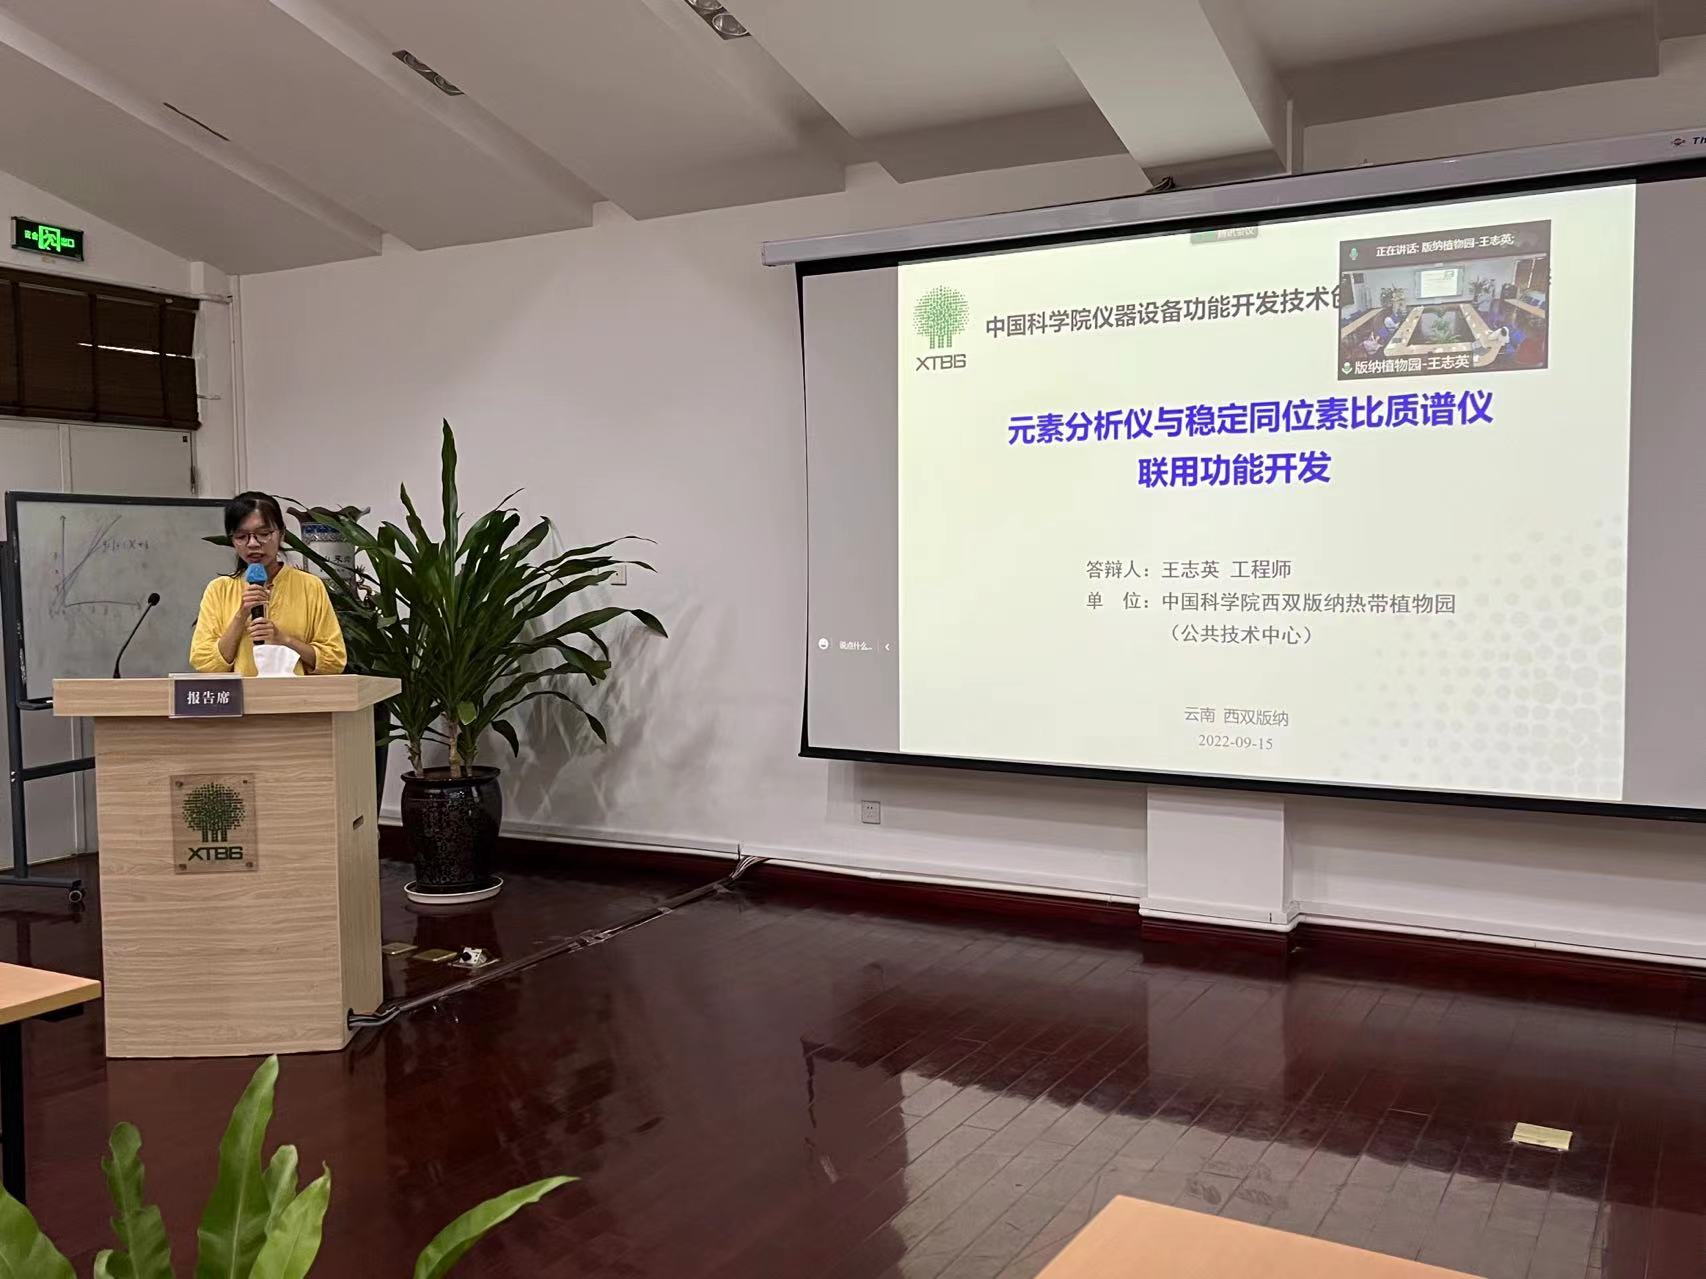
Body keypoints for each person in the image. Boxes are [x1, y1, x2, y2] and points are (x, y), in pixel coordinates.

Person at [190, 492, 346, 677]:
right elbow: (204, 663)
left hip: (294, 695)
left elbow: (334, 660)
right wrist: (242, 614)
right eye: (241, 536)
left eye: (264, 534)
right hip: (239, 695)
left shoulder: (310, 586)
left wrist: (284, 639)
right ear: (232, 540)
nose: (253, 544)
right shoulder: (219, 590)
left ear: (281, 535)